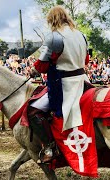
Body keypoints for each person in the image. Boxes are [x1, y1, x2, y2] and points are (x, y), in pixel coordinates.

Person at [30, 6, 89, 163]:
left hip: (66, 86)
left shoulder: (55, 37)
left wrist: (33, 71)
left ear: (52, 20)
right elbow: (86, 61)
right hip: (84, 81)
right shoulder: (81, 35)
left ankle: (50, 147)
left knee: (34, 111)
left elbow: (41, 65)